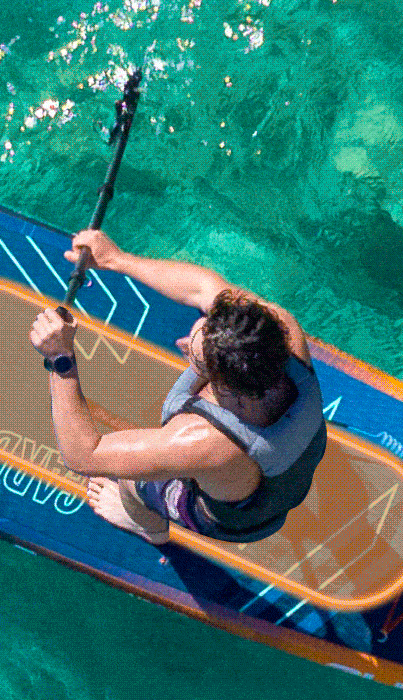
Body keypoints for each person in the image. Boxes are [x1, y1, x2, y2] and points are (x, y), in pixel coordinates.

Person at [28, 230, 326, 544]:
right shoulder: (281, 330)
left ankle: (149, 528)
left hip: (241, 520)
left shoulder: (201, 441)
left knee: (133, 481)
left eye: (193, 354)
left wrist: (60, 357)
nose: (181, 343)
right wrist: (118, 259)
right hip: (291, 475)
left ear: (226, 387)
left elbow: (84, 455)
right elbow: (202, 288)